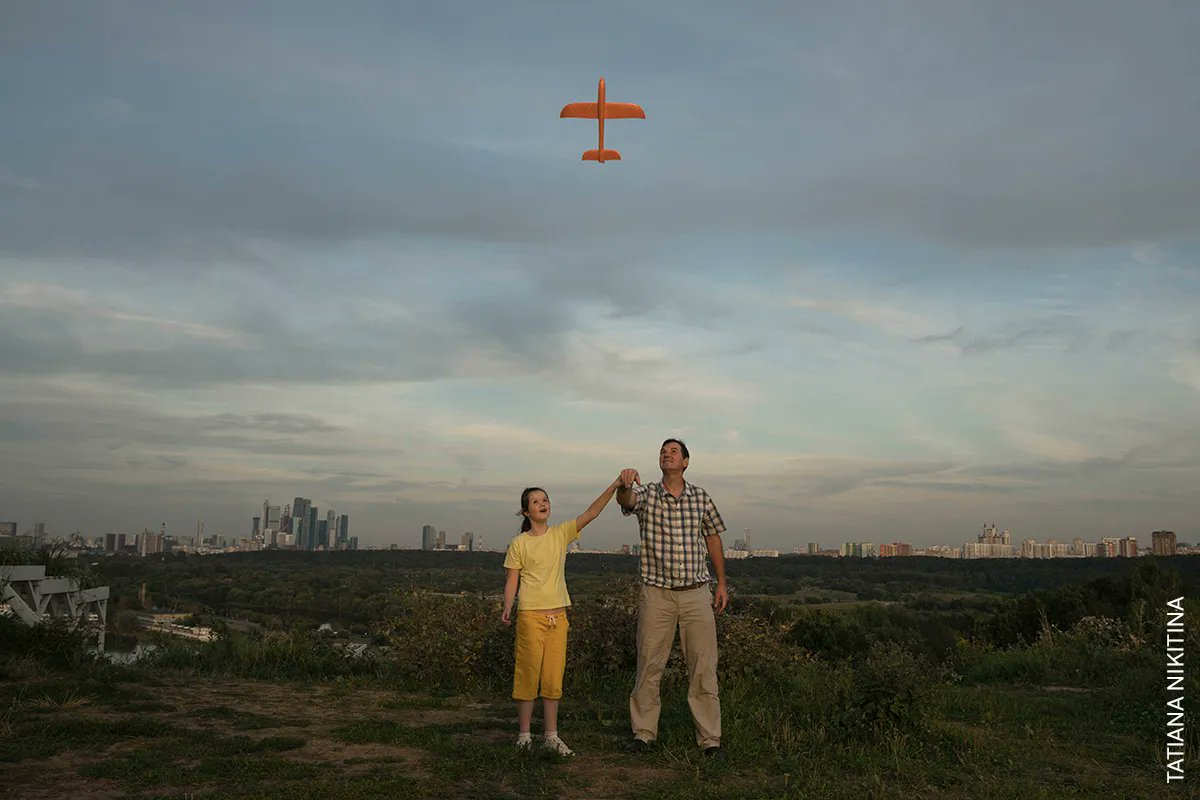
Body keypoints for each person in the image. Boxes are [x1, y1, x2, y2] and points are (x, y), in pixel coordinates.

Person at [617, 438, 728, 761]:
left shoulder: (700, 497)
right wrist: (623, 485)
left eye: (673, 451)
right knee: (649, 664)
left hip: (696, 593)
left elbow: (713, 538)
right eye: (663, 452)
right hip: (657, 594)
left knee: (703, 667)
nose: (667, 454)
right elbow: (626, 501)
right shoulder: (648, 494)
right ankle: (643, 733)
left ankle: (710, 740)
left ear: (686, 462)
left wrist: (722, 583)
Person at [502, 476, 622, 756]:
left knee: (553, 678)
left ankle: (552, 736)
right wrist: (507, 606)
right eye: (535, 501)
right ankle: (524, 736)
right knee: (527, 675)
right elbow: (511, 581)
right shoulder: (519, 543)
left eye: (545, 500)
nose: (542, 504)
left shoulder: (560, 534)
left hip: (558, 618)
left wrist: (616, 485)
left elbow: (591, 513)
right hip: (531, 617)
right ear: (526, 512)